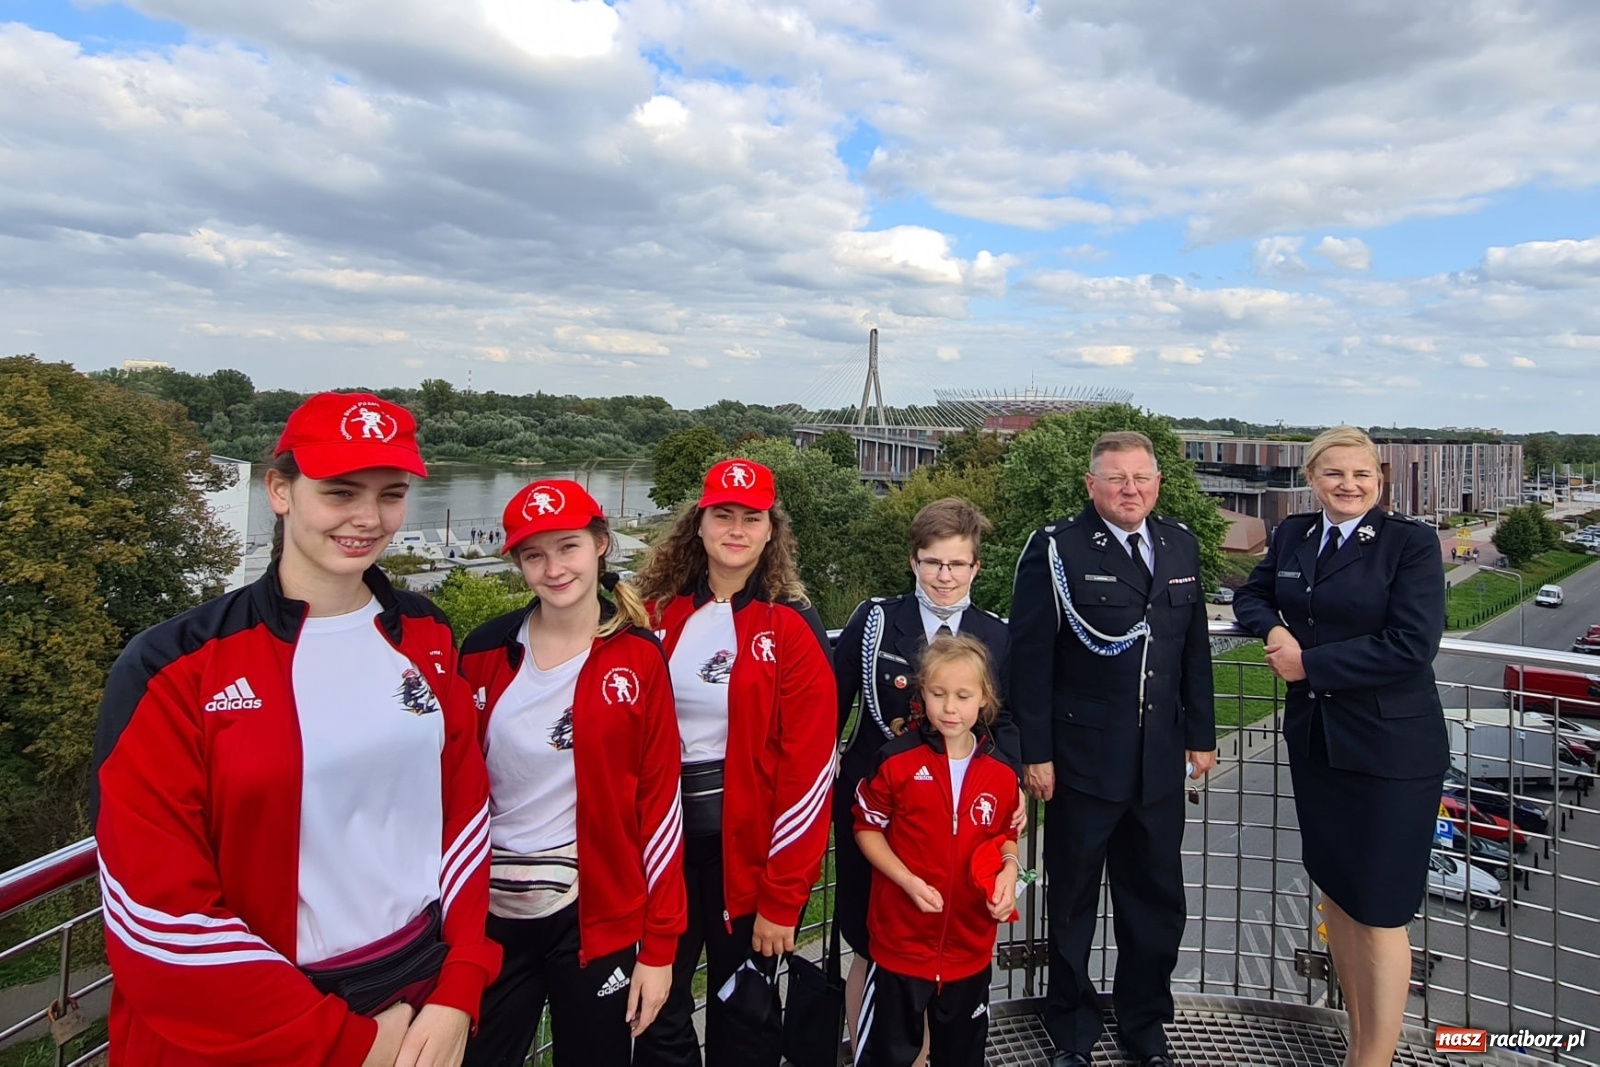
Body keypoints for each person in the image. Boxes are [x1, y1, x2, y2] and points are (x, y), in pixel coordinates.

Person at [93, 392, 499, 1067]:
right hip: (264, 1028)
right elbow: (156, 910)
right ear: (280, 490)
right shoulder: (174, 666)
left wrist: (460, 987)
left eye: (391, 494)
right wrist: (355, 1043)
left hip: (423, 1003)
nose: (368, 519)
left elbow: (463, 812)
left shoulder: (427, 635)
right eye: (341, 492)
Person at [1233, 426, 1447, 1067]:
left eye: (1361, 474)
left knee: (1380, 910)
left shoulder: (1410, 543)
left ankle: (1373, 1060)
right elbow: (1251, 593)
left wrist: (1310, 665)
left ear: (1380, 479)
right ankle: (1359, 1039)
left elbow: (1412, 644)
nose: (1348, 485)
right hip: (1319, 746)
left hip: (1390, 753)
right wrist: (1272, 629)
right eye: (1334, 474)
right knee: (1338, 898)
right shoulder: (1297, 534)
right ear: (1311, 479)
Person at [458, 480, 685, 1067]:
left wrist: (658, 949)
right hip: (489, 917)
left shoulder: (637, 657)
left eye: (568, 547)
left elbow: (660, 806)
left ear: (601, 545)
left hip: (591, 916)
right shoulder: (483, 651)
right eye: (534, 555)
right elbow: (452, 792)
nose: (554, 568)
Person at [1009, 431, 1216, 1067]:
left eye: (1142, 478)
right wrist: (1035, 752)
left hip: (1159, 762)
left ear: (1157, 483)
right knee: (1071, 905)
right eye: (1117, 478)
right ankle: (1070, 1029)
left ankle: (1144, 1028)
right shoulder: (1056, 548)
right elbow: (1030, 657)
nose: (1131, 490)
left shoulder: (1178, 543)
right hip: (1080, 763)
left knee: (1155, 905)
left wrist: (1203, 735)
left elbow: (1193, 651)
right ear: (1091, 486)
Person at [630, 458, 836, 1067]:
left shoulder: (791, 623)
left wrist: (782, 900)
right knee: (654, 1005)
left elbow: (810, 768)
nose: (737, 529)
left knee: (743, 1012)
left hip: (744, 853)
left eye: (752, 517)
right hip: (659, 849)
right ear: (699, 524)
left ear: (772, 530)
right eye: (724, 515)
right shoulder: (653, 610)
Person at [831, 498, 1021, 1049]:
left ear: (976, 568)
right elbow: (835, 705)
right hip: (881, 810)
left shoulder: (997, 635)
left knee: (947, 939)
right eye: (933, 562)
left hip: (960, 816)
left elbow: (1006, 721)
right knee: (872, 945)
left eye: (957, 564)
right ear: (914, 561)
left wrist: (1007, 787)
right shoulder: (876, 621)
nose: (944, 576)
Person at [851, 634, 1020, 1067]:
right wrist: (906, 880)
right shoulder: (895, 761)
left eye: (963, 696)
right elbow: (867, 828)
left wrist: (1009, 869)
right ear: (922, 692)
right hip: (900, 948)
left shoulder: (1001, 773)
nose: (950, 707)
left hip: (970, 949)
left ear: (984, 698)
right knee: (887, 1056)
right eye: (938, 694)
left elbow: (1004, 835)